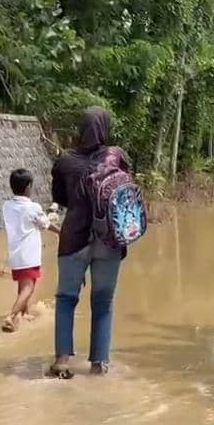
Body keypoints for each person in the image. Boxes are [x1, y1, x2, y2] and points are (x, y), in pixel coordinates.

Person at [48, 107, 132, 378]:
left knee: (65, 299)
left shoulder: (65, 160)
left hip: (73, 238)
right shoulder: (117, 157)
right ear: (105, 128)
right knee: (103, 302)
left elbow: (60, 198)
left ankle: (62, 360)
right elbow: (125, 193)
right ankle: (99, 363)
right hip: (108, 239)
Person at [1, 168, 56, 333]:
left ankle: (24, 314)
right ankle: (11, 316)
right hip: (29, 255)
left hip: (15, 255)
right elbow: (45, 224)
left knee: (23, 285)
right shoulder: (33, 207)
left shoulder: (7, 206)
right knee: (29, 288)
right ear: (28, 187)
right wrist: (61, 232)